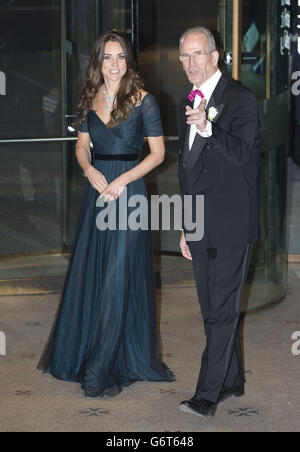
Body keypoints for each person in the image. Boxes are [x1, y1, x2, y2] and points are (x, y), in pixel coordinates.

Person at [38, 31, 173, 398]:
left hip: (129, 195)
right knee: (94, 275)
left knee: (116, 277)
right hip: (97, 193)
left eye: (120, 57)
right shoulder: (89, 98)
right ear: (97, 62)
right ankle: (88, 352)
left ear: (128, 61)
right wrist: (90, 171)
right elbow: (82, 147)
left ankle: (99, 369)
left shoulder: (145, 101)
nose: (114, 64)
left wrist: (123, 180)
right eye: (107, 57)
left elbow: (158, 154)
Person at [177, 27, 261, 417]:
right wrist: (184, 224)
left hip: (231, 222)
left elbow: (243, 155)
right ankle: (233, 379)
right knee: (212, 304)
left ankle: (207, 395)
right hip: (198, 223)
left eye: (197, 54)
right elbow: (189, 171)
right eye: (184, 56)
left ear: (215, 56)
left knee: (220, 310)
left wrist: (208, 128)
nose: (189, 63)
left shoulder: (241, 99)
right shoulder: (189, 101)